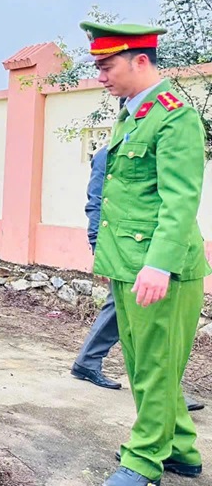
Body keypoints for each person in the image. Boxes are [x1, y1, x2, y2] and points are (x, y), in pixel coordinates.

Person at [78, 22, 209, 486]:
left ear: (139, 60)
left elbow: (180, 200)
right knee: (143, 363)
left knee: (155, 366)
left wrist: (159, 264)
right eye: (97, 67)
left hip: (162, 268)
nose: (100, 76)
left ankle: (143, 459)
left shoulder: (175, 116)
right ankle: (181, 450)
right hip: (129, 263)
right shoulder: (133, 114)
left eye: (107, 66)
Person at [73, 141, 205, 414]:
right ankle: (168, 394)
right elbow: (98, 200)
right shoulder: (109, 153)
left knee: (127, 310)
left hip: (152, 246)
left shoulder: (159, 146)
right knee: (147, 318)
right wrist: (98, 244)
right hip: (126, 248)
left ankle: (88, 361)